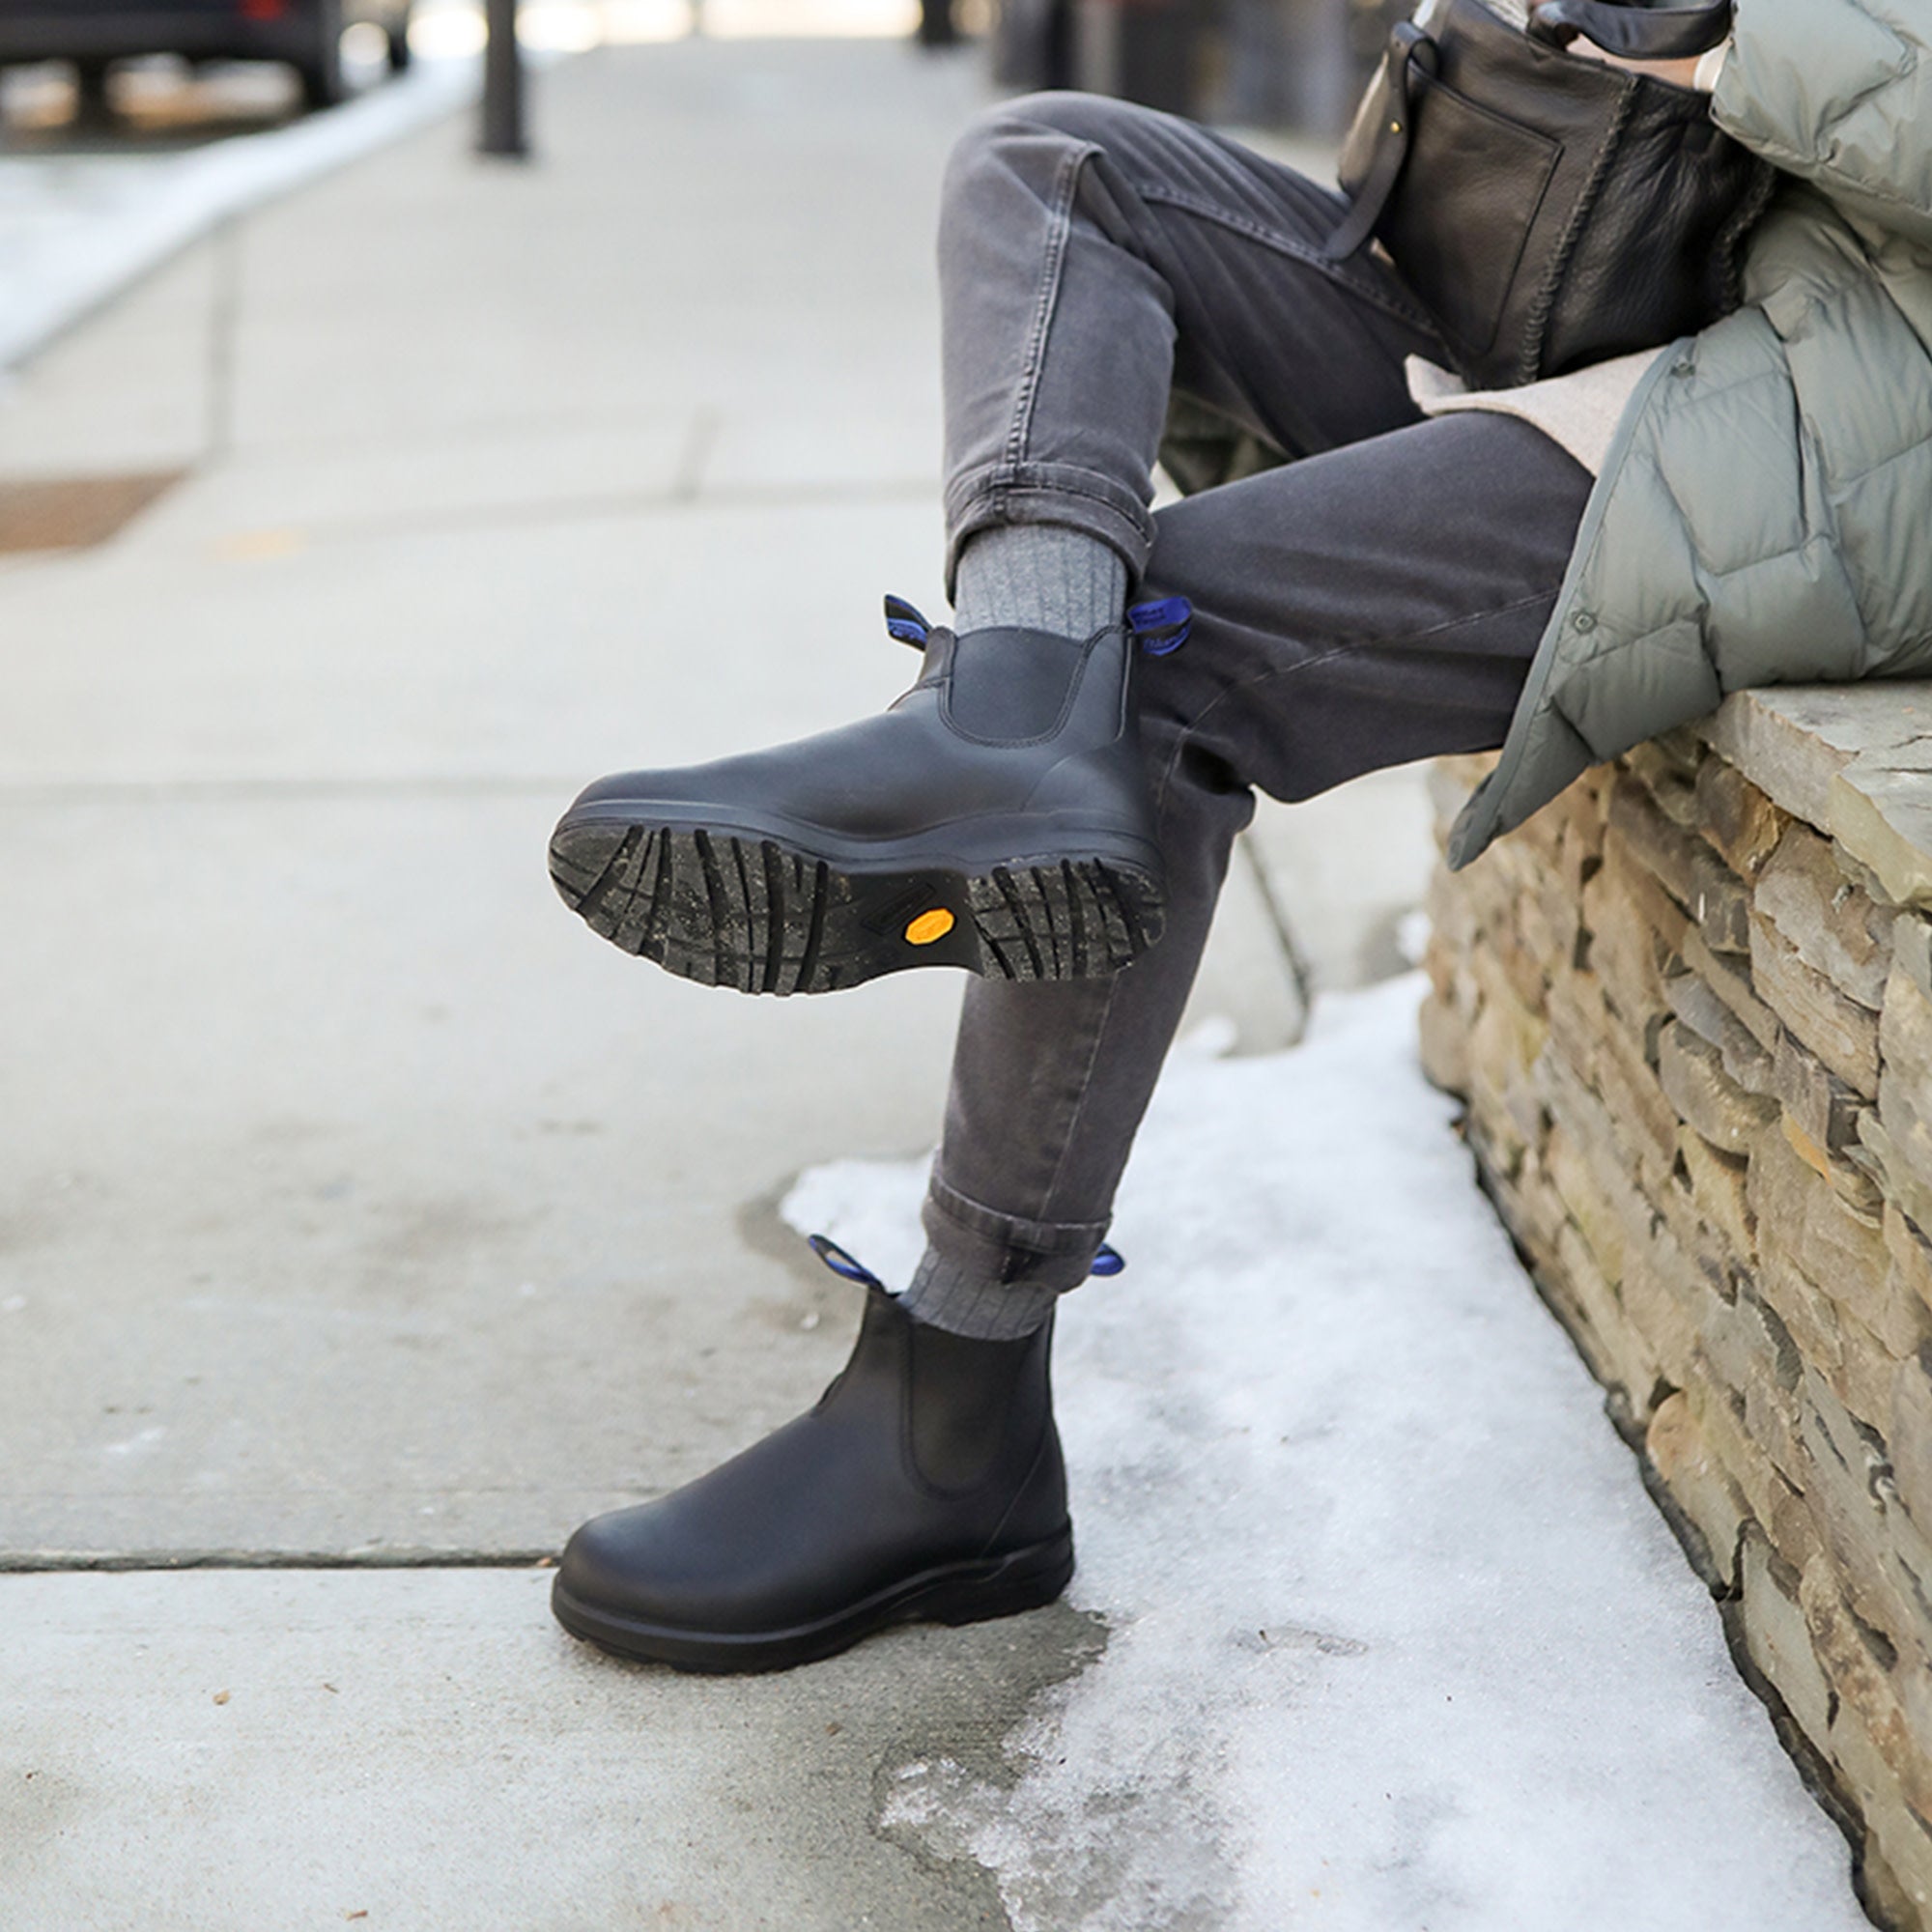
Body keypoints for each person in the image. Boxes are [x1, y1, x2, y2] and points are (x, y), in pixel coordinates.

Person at [544, 0, 1932, 1672]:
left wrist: (1728, 41)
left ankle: (957, 1422)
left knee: (1169, 646)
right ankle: (1013, 716)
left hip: (1857, 413)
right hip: (1642, 291)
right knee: (1053, 163)